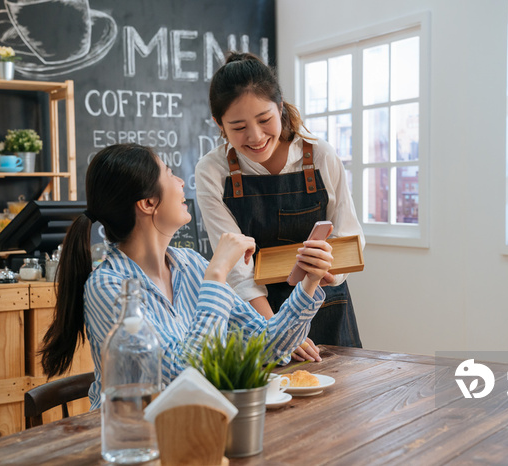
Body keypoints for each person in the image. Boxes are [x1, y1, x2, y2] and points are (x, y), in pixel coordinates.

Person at [39, 143, 333, 409]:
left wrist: (309, 282)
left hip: (194, 427)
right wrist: (217, 274)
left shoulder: (190, 263)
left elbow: (267, 346)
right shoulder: (109, 286)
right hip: (133, 439)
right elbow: (182, 378)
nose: (181, 183)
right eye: (169, 174)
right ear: (148, 203)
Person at [195, 52, 365, 362]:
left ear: (281, 107)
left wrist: (327, 270)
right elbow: (235, 266)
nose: (256, 137)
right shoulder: (212, 171)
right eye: (238, 127)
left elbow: (349, 235)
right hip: (258, 316)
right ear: (219, 125)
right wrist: (277, 329)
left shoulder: (320, 155)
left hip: (325, 306)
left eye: (264, 120)